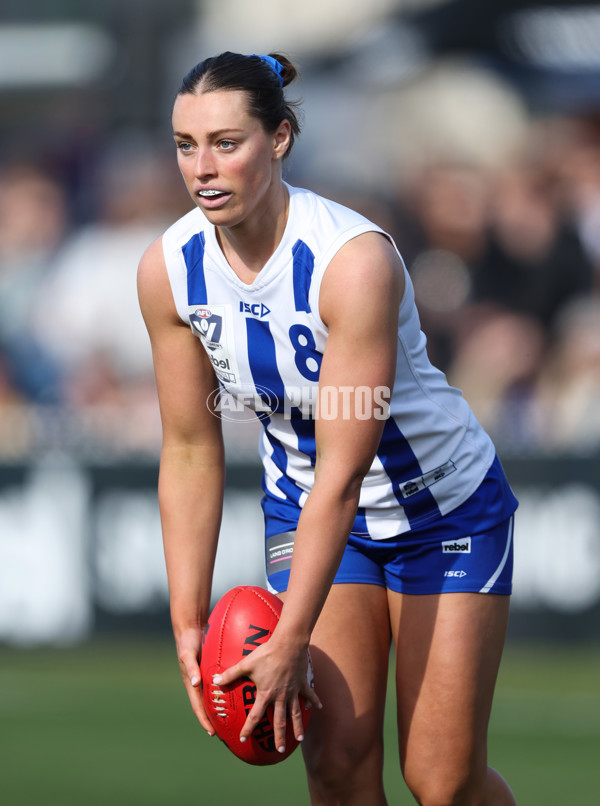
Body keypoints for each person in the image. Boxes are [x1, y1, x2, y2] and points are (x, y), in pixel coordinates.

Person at [137, 51, 518, 806]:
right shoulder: (168, 270)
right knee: (336, 765)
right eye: (187, 146)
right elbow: (188, 450)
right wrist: (188, 623)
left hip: (439, 510)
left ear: (279, 139)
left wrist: (289, 637)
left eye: (226, 142)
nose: (203, 167)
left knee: (441, 783)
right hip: (307, 510)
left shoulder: (351, 262)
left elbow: (345, 470)